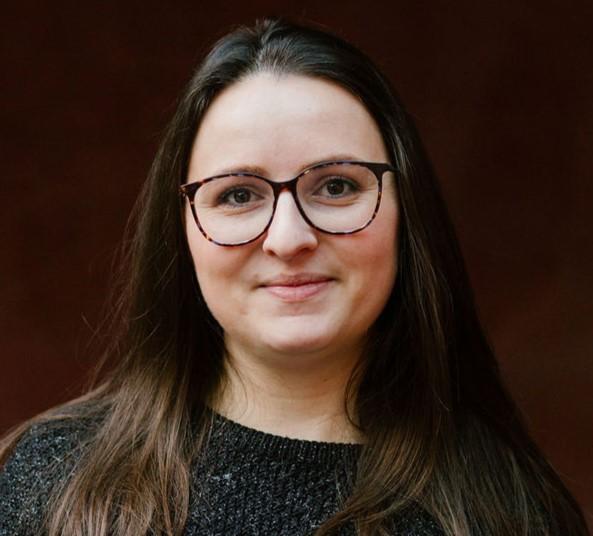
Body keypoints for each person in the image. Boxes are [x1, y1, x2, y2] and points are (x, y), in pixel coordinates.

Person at [0, 17, 588, 536]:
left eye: (336, 186)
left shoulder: (511, 514)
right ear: (181, 231)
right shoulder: (49, 482)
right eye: (238, 194)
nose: (287, 239)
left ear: (408, 213)